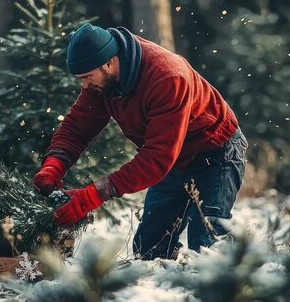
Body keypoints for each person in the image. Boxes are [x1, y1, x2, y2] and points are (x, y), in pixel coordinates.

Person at [33, 23, 247, 260]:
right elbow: (77, 127)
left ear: (109, 63)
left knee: (207, 247)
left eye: (87, 77)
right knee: (149, 250)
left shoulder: (168, 78)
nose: (84, 85)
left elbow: (156, 158)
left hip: (215, 152)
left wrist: (94, 195)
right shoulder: (102, 77)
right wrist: (53, 165)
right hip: (171, 159)